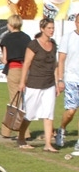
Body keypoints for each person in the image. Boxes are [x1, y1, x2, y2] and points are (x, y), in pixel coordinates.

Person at [17, 18, 60, 152]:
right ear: (42, 29)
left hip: (49, 84)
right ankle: (21, 138)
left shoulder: (53, 44)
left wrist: (57, 83)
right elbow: (26, 64)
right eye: (49, 28)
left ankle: (48, 144)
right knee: (29, 114)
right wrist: (22, 82)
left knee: (49, 114)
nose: (51, 30)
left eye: (53, 28)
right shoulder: (33, 44)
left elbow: (55, 66)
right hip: (34, 84)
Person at [0, 14, 32, 139]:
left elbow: (5, 60)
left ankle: (10, 131)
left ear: (11, 25)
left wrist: (2, 59)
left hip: (13, 70)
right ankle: (21, 131)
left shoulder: (6, 38)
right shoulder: (27, 38)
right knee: (22, 101)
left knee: (14, 101)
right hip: (26, 70)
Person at [55, 16, 79, 150]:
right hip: (71, 79)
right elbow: (61, 60)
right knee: (71, 111)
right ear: (75, 23)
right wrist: (60, 79)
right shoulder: (68, 37)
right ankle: (62, 129)